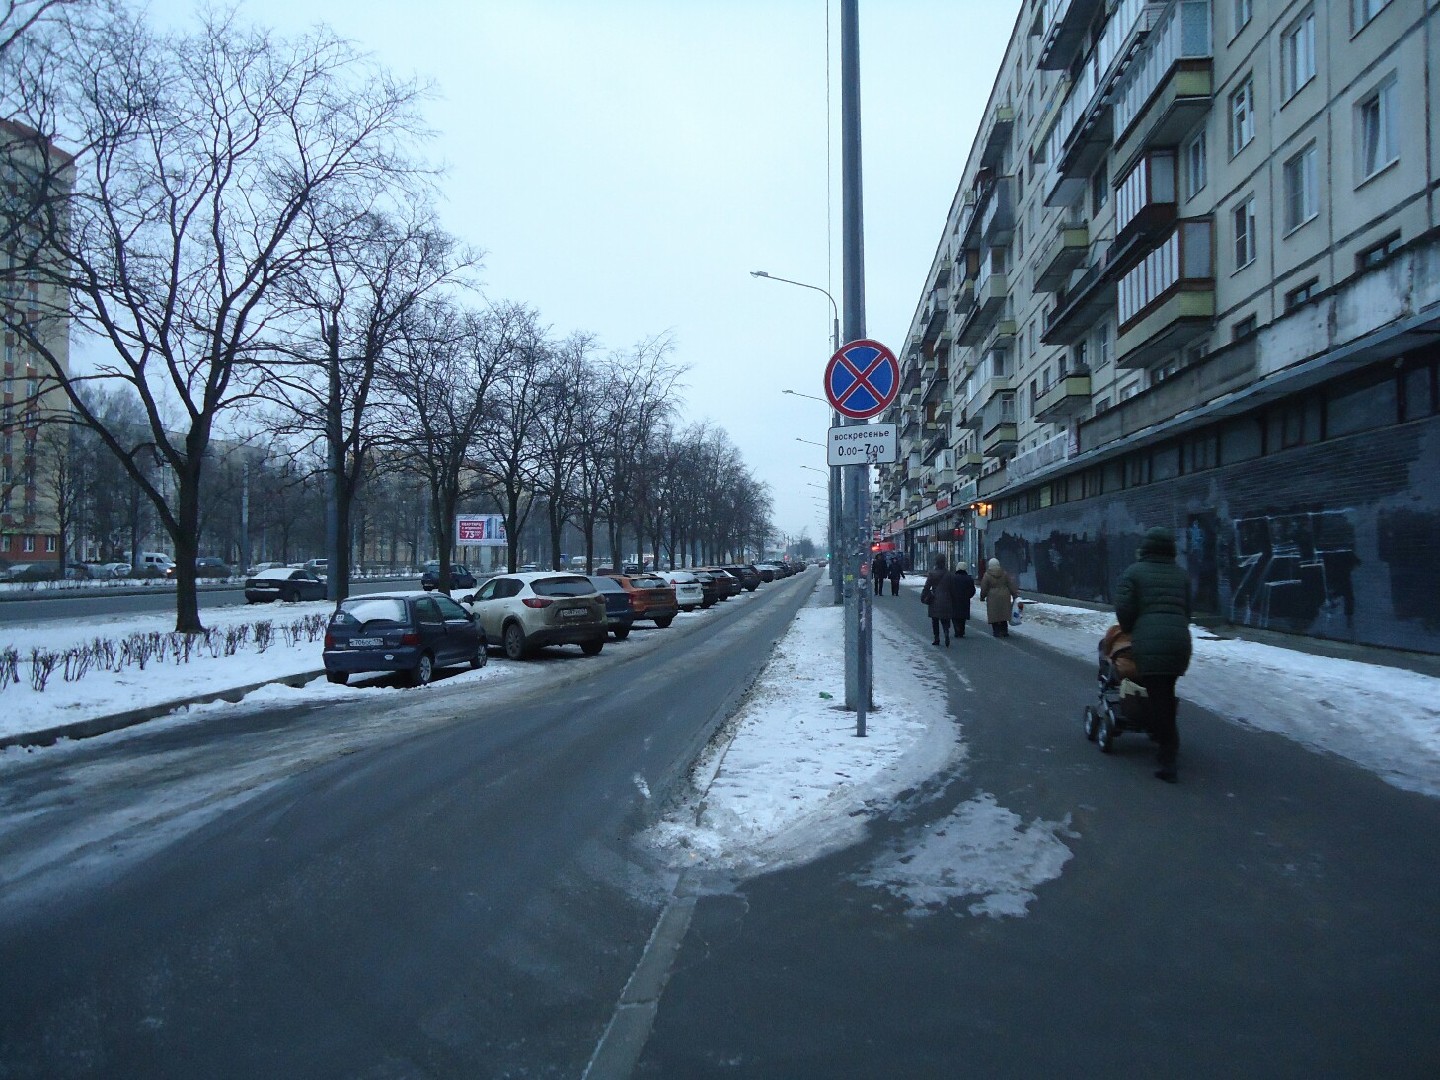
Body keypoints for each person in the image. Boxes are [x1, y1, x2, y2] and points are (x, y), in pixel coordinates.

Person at [1115, 526, 1193, 784]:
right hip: (1180, 640)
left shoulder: (1134, 573)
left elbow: (1125, 609)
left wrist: (1129, 630)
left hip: (1149, 640)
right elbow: (1187, 611)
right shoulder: (1181, 575)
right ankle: (1162, 737)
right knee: (1165, 691)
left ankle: (1168, 755)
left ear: (1146, 547)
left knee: (1158, 696)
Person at [921, 554, 957, 646]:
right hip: (947, 599)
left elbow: (927, 587)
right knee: (945, 619)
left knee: (935, 619)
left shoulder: (932, 574)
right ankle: (946, 632)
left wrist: (923, 596)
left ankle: (936, 638)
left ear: (936, 562)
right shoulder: (949, 574)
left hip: (935, 599)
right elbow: (953, 588)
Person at [979, 557, 1017, 637]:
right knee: (1004, 613)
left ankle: (996, 631)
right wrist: (1014, 594)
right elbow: (1010, 584)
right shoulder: (1004, 573)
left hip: (992, 596)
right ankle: (1004, 630)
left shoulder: (987, 575)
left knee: (994, 614)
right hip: (1005, 595)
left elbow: (984, 587)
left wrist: (982, 596)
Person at [948, 560, 976, 637]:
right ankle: (961, 629)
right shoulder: (969, 579)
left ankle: (957, 629)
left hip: (954, 599)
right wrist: (968, 596)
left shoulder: (952, 578)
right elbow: (972, 590)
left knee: (955, 615)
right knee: (963, 617)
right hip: (965, 600)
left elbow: (949, 588)